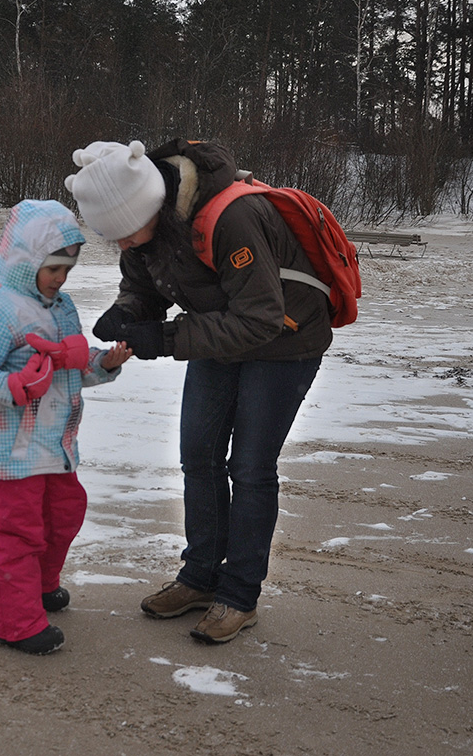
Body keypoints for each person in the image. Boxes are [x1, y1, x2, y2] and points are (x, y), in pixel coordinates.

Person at [64, 138, 330, 644]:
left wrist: (162, 338)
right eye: (110, 236)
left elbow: (260, 319)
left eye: (124, 233)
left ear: (151, 208)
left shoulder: (233, 219)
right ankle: (201, 577)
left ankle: (239, 595)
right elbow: (143, 282)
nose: (121, 244)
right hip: (220, 331)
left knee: (250, 467)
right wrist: (129, 313)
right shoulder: (146, 229)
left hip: (286, 338)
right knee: (198, 454)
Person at [0, 199, 132, 655]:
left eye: (67, 268)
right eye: (53, 268)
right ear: (25, 261)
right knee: (20, 531)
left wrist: (103, 363)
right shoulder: (0, 310)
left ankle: (40, 586)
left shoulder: (61, 307)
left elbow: (71, 367)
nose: (61, 278)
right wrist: (11, 385)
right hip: (13, 450)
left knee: (64, 516)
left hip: (58, 443)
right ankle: (15, 621)